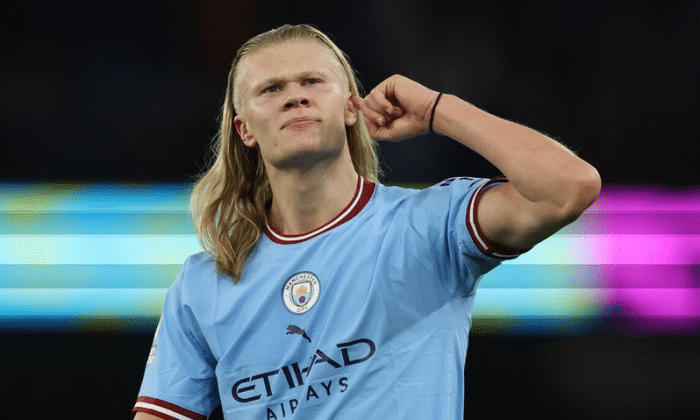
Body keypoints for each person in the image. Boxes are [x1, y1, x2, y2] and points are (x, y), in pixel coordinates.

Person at [133, 24, 600, 420]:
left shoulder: (430, 225)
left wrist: (437, 110)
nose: (296, 96)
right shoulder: (202, 285)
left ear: (350, 108)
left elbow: (569, 187)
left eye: (313, 81)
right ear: (244, 129)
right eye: (271, 89)